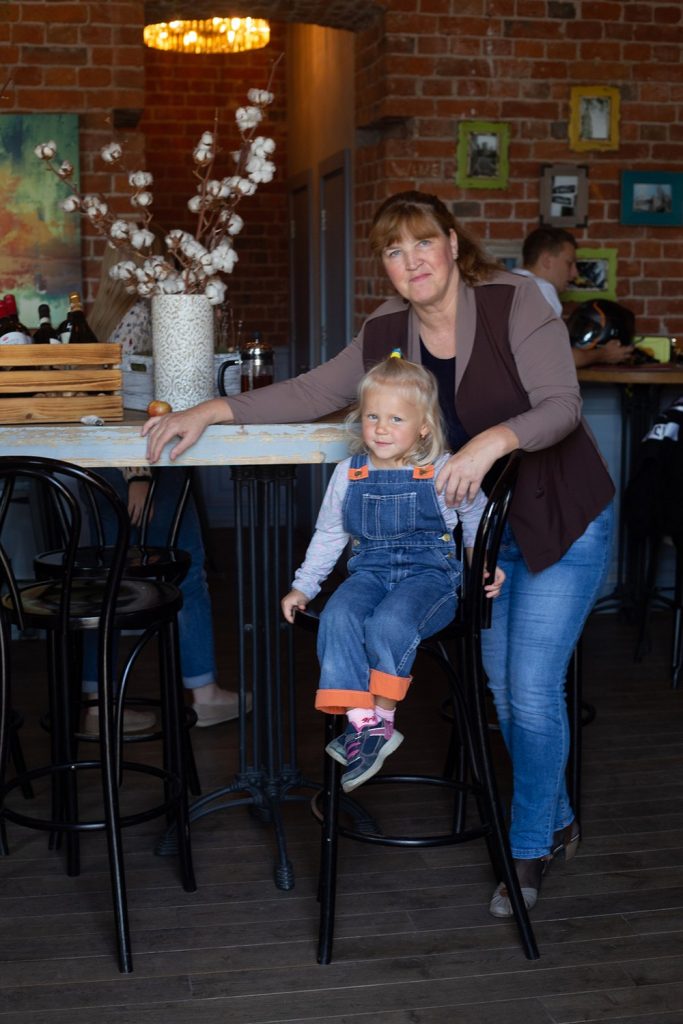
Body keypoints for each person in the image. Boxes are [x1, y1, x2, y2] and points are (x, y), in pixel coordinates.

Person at [143, 189, 616, 917]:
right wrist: (213, 408)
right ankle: (555, 822)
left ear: (452, 244)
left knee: (529, 691)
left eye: (423, 242)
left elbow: (561, 405)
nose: (411, 260)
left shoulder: (514, 302)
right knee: (504, 693)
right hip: (476, 539)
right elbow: (313, 391)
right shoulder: (387, 329)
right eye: (394, 250)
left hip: (560, 522)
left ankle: (527, 851)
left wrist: (489, 443)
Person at [280, 354, 504, 794]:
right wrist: (303, 586)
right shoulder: (349, 473)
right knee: (338, 616)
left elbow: (478, 516)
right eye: (373, 417)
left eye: (396, 419)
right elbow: (330, 534)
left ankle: (382, 719)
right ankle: (364, 722)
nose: (381, 428)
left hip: (431, 577)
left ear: (423, 427)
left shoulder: (442, 469)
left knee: (388, 623)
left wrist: (480, 563)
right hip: (370, 572)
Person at [81, 244, 248, 733]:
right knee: (187, 571)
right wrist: (139, 475)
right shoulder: (146, 315)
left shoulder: (99, 320)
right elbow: (133, 405)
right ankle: (205, 694)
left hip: (99, 466)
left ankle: (97, 707)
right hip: (149, 460)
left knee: (104, 582)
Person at [512, 226, 633, 367]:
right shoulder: (540, 289)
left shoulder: (506, 283)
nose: (575, 273)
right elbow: (556, 358)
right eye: (569, 263)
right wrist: (604, 354)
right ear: (546, 260)